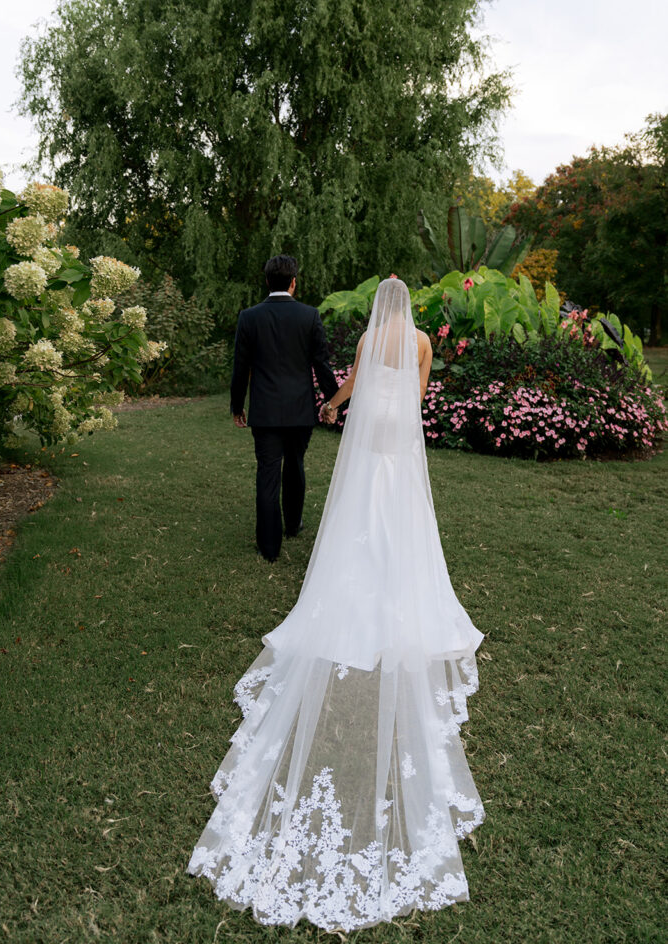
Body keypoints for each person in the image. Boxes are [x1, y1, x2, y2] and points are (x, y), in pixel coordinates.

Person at [188, 278, 486, 933]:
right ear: (408, 309)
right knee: (398, 497)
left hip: (368, 425)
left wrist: (336, 405)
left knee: (362, 498)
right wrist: (405, 415)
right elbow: (419, 389)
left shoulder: (370, 336)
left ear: (379, 307)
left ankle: (359, 560)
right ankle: (392, 564)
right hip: (398, 428)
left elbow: (350, 379)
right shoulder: (419, 339)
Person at [229, 254, 339, 562]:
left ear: (267, 282)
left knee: (267, 474)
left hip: (264, 411)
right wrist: (333, 401)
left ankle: (269, 546)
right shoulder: (309, 315)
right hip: (300, 410)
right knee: (295, 465)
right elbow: (321, 365)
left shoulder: (249, 317)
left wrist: (237, 406)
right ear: (293, 282)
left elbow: (241, 368)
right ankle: (293, 524)